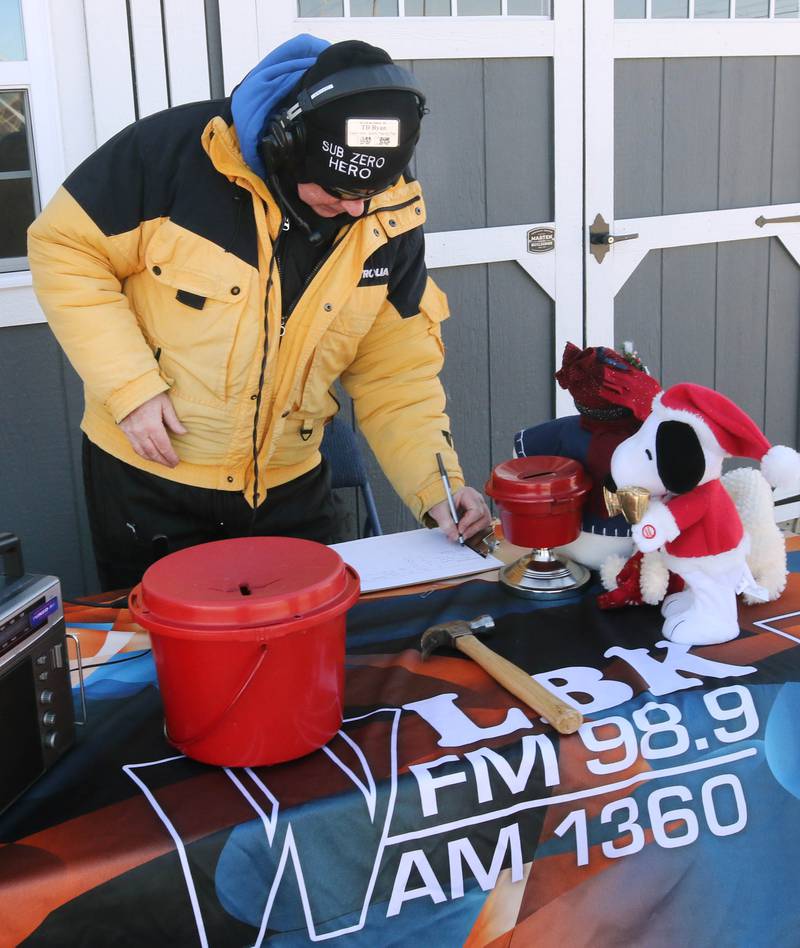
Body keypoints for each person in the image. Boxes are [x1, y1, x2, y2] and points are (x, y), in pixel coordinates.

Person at [28, 34, 491, 590]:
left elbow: (396, 373)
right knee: (167, 665)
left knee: (307, 652)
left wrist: (434, 488)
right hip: (152, 485)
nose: (355, 208)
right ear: (284, 146)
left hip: (291, 490)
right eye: (337, 189)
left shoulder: (386, 209)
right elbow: (63, 246)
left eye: (371, 190)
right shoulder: (168, 155)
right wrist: (129, 386)